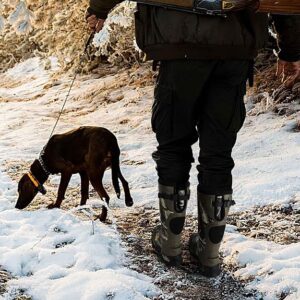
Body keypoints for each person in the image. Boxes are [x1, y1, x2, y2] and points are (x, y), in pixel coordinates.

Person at [86, 0, 300, 277]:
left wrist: (99, 9)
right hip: (233, 48)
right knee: (218, 153)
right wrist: (292, 48)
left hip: (179, 45)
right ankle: (209, 252)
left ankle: (170, 241)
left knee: (173, 145)